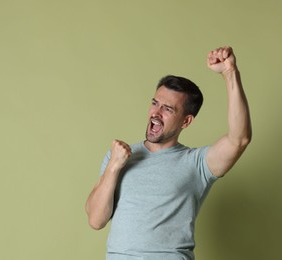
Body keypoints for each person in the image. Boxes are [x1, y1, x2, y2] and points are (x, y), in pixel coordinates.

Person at [85, 46, 252, 260]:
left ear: (186, 121)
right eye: (155, 103)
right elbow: (96, 220)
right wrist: (114, 166)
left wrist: (230, 73)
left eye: (167, 109)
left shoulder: (197, 164)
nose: (156, 112)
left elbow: (240, 139)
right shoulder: (119, 156)